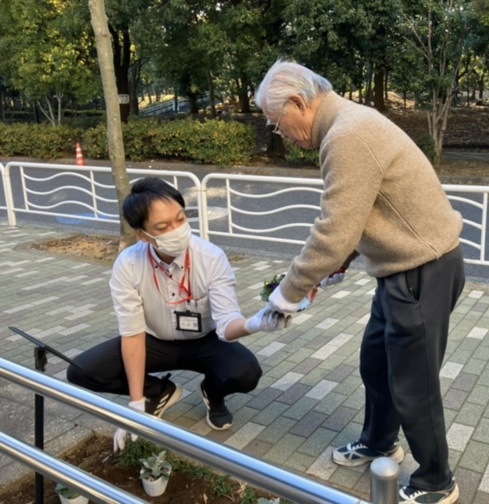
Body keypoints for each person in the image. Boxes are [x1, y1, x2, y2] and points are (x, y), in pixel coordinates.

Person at [254, 60, 465, 504]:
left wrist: (287, 294)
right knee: (376, 363)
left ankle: (436, 482)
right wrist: (337, 265)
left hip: (421, 272)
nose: (280, 133)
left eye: (276, 122)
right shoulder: (348, 124)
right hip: (403, 270)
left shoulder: (346, 135)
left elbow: (333, 231)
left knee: (414, 385)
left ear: (298, 102)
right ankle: (379, 442)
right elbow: (361, 216)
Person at [67, 177, 289, 451]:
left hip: (206, 340)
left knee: (246, 373)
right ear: (143, 235)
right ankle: (159, 391)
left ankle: (213, 393)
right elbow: (132, 333)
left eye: (180, 219)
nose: (177, 230)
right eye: (162, 227)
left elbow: (226, 323)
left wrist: (254, 323)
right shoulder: (128, 264)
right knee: (82, 371)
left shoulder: (211, 257)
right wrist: (135, 402)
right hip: (153, 341)